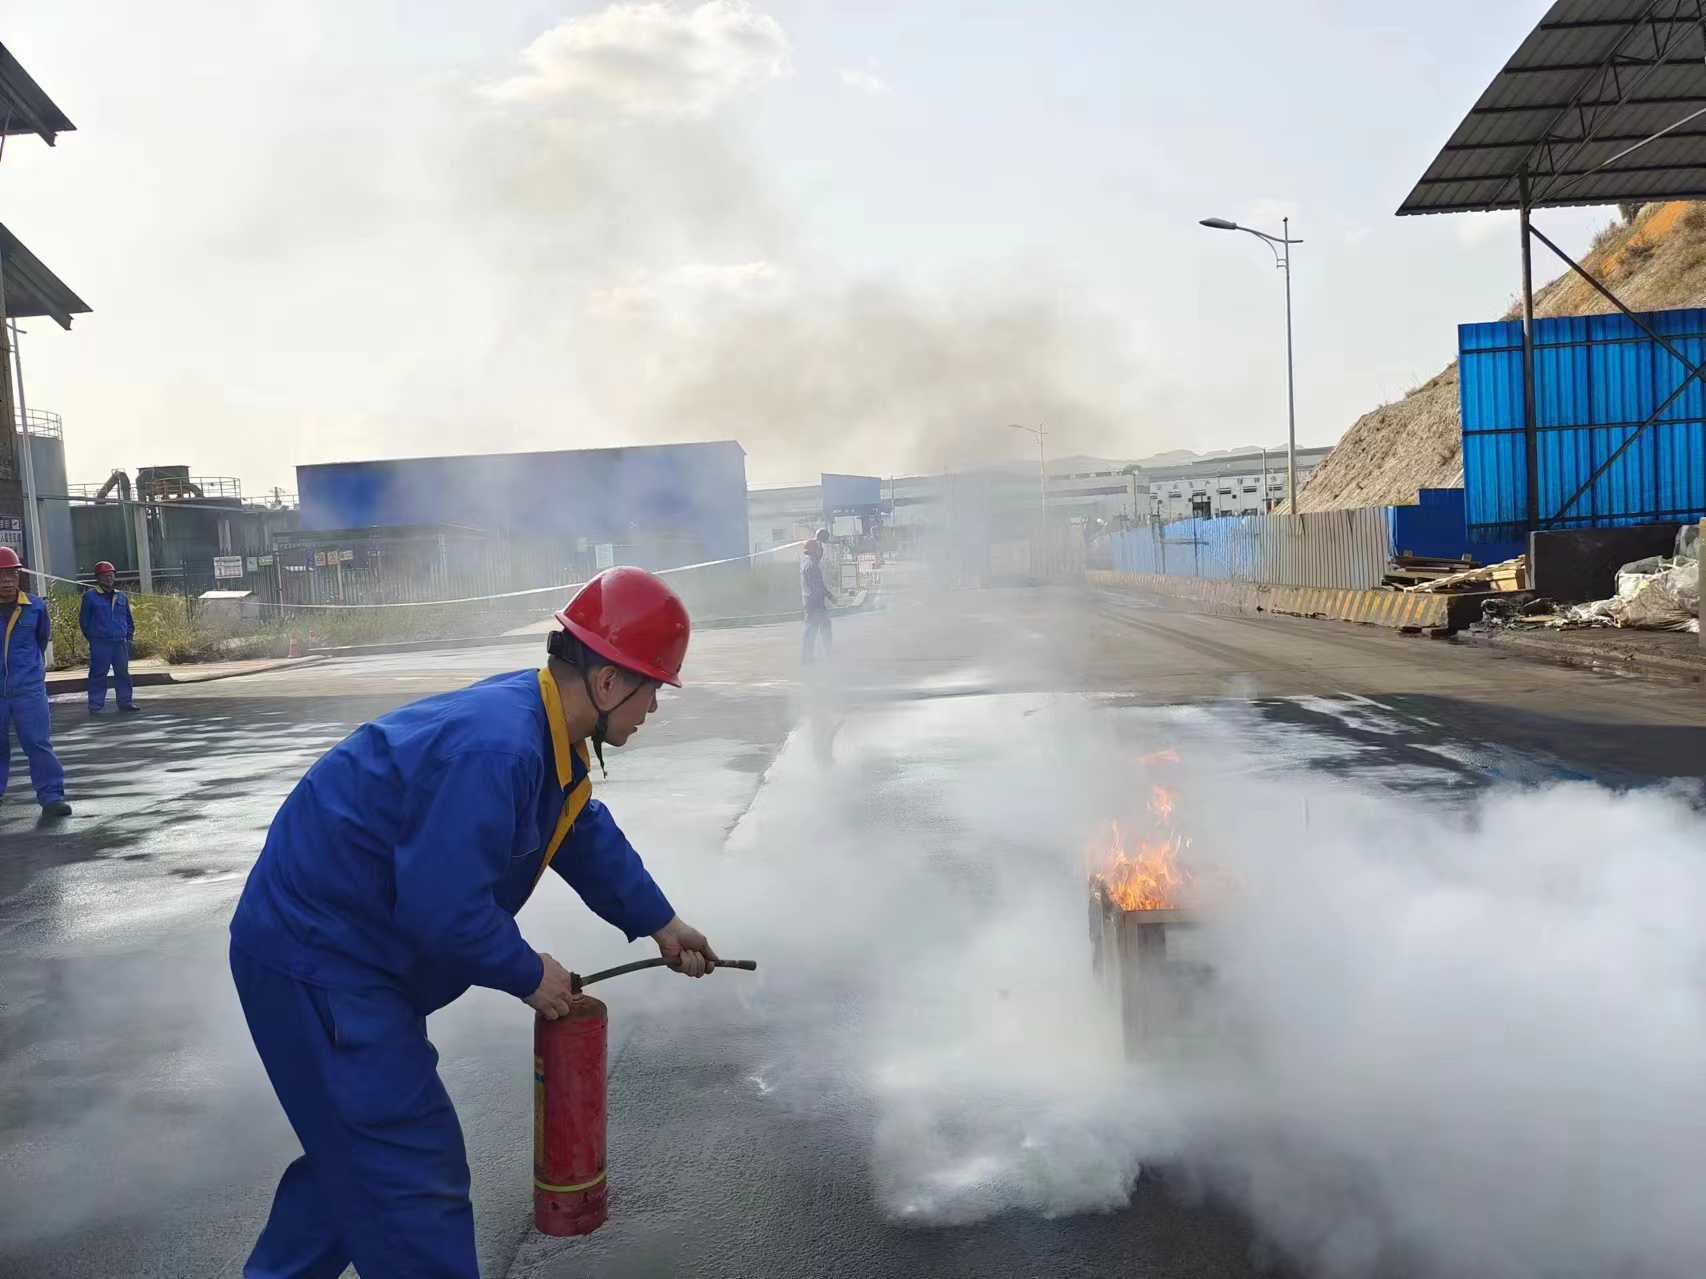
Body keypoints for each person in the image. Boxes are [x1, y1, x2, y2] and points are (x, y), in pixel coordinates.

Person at [228, 566, 721, 1279]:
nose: (654, 706)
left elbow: (578, 830)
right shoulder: (500, 748)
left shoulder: (546, 731)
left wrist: (661, 922)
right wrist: (528, 973)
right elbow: (441, 906)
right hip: (320, 958)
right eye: (653, 686)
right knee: (408, 1166)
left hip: (341, 950)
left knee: (353, 1162)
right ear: (610, 682)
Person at [0, 546, 72, 817]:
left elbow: (41, 641)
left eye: (10, 574)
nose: (6, 581)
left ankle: (52, 796)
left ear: (18, 576)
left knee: (38, 742)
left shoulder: (35, 607)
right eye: (0, 575)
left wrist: (30, 673)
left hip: (28, 689)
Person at [80, 560, 138, 714]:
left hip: (119, 642)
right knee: (98, 674)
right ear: (97, 578)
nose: (109, 578)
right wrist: (94, 637)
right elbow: (84, 622)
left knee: (123, 673)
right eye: (105, 576)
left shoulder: (121, 596)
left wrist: (129, 636)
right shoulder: (90, 597)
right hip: (100, 643)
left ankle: (125, 702)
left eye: (111, 575)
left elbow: (128, 618)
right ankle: (95, 705)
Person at [801, 538, 837, 663]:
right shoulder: (812, 567)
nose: (820, 553)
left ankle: (807, 658)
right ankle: (828, 657)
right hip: (816, 604)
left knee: (810, 631)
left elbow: (817, 558)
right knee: (823, 629)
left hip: (809, 603)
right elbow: (819, 587)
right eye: (818, 551)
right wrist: (830, 596)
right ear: (814, 552)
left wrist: (819, 546)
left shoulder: (805, 563)